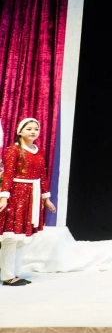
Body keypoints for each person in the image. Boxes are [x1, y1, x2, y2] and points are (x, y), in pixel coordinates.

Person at [0, 118, 57, 286]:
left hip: (32, 196)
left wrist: (46, 198)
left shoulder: (38, 151)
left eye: (36, 129)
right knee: (11, 238)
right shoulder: (13, 150)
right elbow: (8, 175)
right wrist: (4, 197)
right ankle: (7, 275)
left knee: (22, 239)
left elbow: (42, 176)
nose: (33, 131)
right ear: (20, 131)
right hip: (16, 196)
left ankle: (15, 272)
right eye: (29, 128)